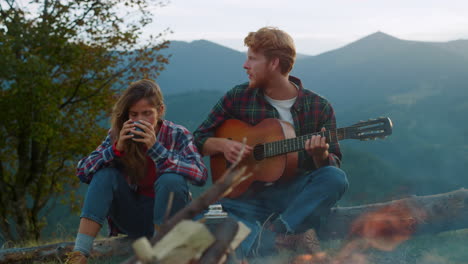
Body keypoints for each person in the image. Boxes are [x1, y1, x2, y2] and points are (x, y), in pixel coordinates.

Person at [193, 27, 348, 257]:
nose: (245, 65)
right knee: (199, 225)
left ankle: (279, 232)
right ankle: (271, 240)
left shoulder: (318, 107)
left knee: (335, 178)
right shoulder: (238, 97)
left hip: (293, 197)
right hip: (244, 196)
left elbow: (331, 167)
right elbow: (197, 140)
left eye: (252, 59)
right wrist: (223, 145)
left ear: (274, 63)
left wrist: (320, 156)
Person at [65, 79, 208, 264]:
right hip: (132, 215)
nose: (140, 120)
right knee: (105, 175)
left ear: (161, 110)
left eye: (147, 113)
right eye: (133, 115)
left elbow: (200, 174)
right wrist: (115, 150)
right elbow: (82, 171)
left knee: (171, 180)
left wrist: (156, 149)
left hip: (168, 217)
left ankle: (159, 252)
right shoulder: (118, 133)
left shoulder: (177, 134)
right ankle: (79, 255)